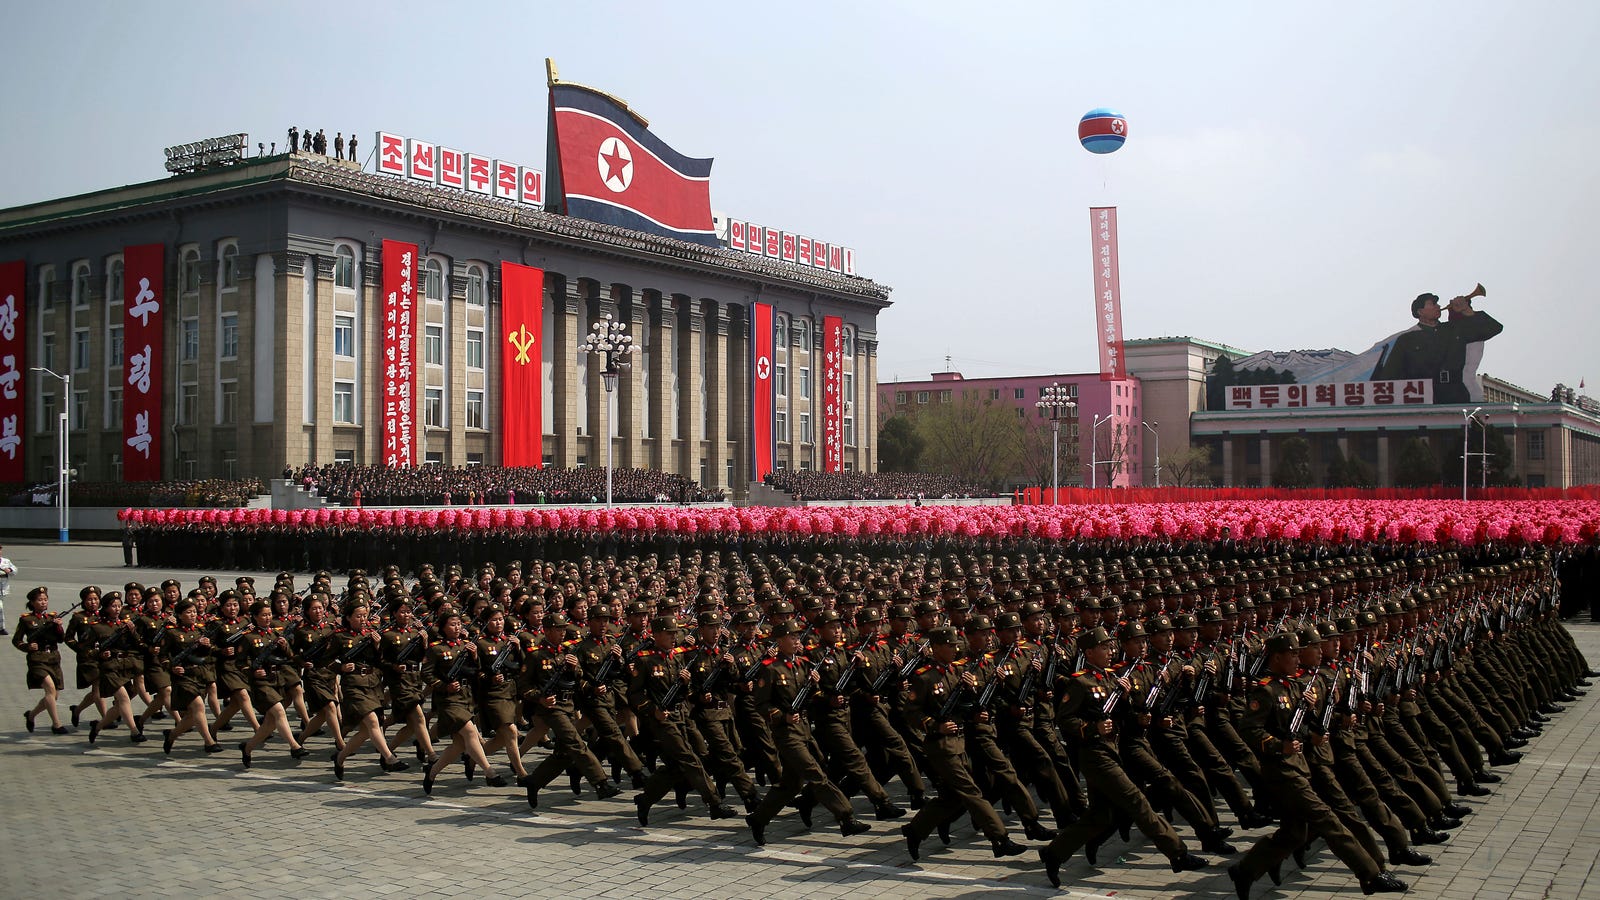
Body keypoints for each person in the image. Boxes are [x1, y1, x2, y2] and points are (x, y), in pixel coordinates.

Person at [1229, 632, 1407, 898]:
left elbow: (1300, 727)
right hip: (1281, 771)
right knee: (1328, 820)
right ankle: (1370, 875)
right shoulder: (1265, 690)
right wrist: (1280, 746)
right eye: (1292, 654)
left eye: (1298, 653)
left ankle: (1244, 870)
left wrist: (1314, 730)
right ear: (1277, 657)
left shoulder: (1293, 686)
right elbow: (1249, 730)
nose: (1297, 658)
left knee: (1294, 834)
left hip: (1298, 767)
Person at [1372, 292, 1503, 405]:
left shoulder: (1454, 329)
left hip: (1455, 393)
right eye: (1432, 304)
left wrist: (1467, 310)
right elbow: (1389, 376)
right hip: (1422, 397)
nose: (1438, 307)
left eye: (1437, 304)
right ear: (1420, 312)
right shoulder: (1407, 339)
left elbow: (1494, 328)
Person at [14, 587, 70, 733]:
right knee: (50, 689)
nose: (43, 602)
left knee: (54, 695)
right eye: (40, 600)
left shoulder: (51, 618)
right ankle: (56, 724)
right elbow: (16, 640)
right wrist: (27, 646)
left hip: (53, 658)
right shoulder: (26, 619)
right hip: (37, 659)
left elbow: (61, 639)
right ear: (32, 602)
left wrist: (58, 627)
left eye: (45, 599)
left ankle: (31, 715)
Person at [0, 545, 14, 634]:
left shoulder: (6, 561)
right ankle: (1, 628)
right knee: (0, 607)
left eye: (0, 550)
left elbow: (15, 570)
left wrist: (10, 570)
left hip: (3, 588)